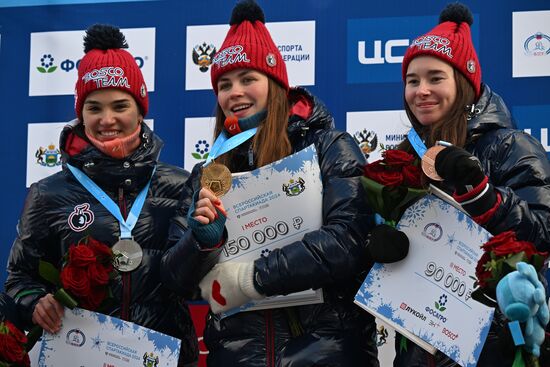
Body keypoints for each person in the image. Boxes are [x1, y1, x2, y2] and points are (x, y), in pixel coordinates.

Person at [164, 1, 380, 366]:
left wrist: (253, 278)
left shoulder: (328, 147)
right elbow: (174, 279)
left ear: (276, 84)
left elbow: (348, 240)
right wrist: (201, 242)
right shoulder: (209, 173)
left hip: (325, 353)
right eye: (224, 84)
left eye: (248, 79)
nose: (234, 93)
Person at [4, 24, 201, 367]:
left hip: (164, 357)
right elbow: (19, 279)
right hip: (79, 355)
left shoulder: (180, 184)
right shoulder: (49, 193)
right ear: (80, 113)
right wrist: (35, 302)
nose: (107, 120)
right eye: (94, 108)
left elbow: (194, 282)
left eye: (120, 106)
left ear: (140, 110)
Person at [393, 3, 550, 366]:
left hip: (493, 345)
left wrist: (484, 195)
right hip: (420, 344)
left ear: (463, 83)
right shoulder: (406, 156)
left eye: (436, 78)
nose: (421, 91)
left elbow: (542, 232)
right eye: (412, 81)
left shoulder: (511, 146)